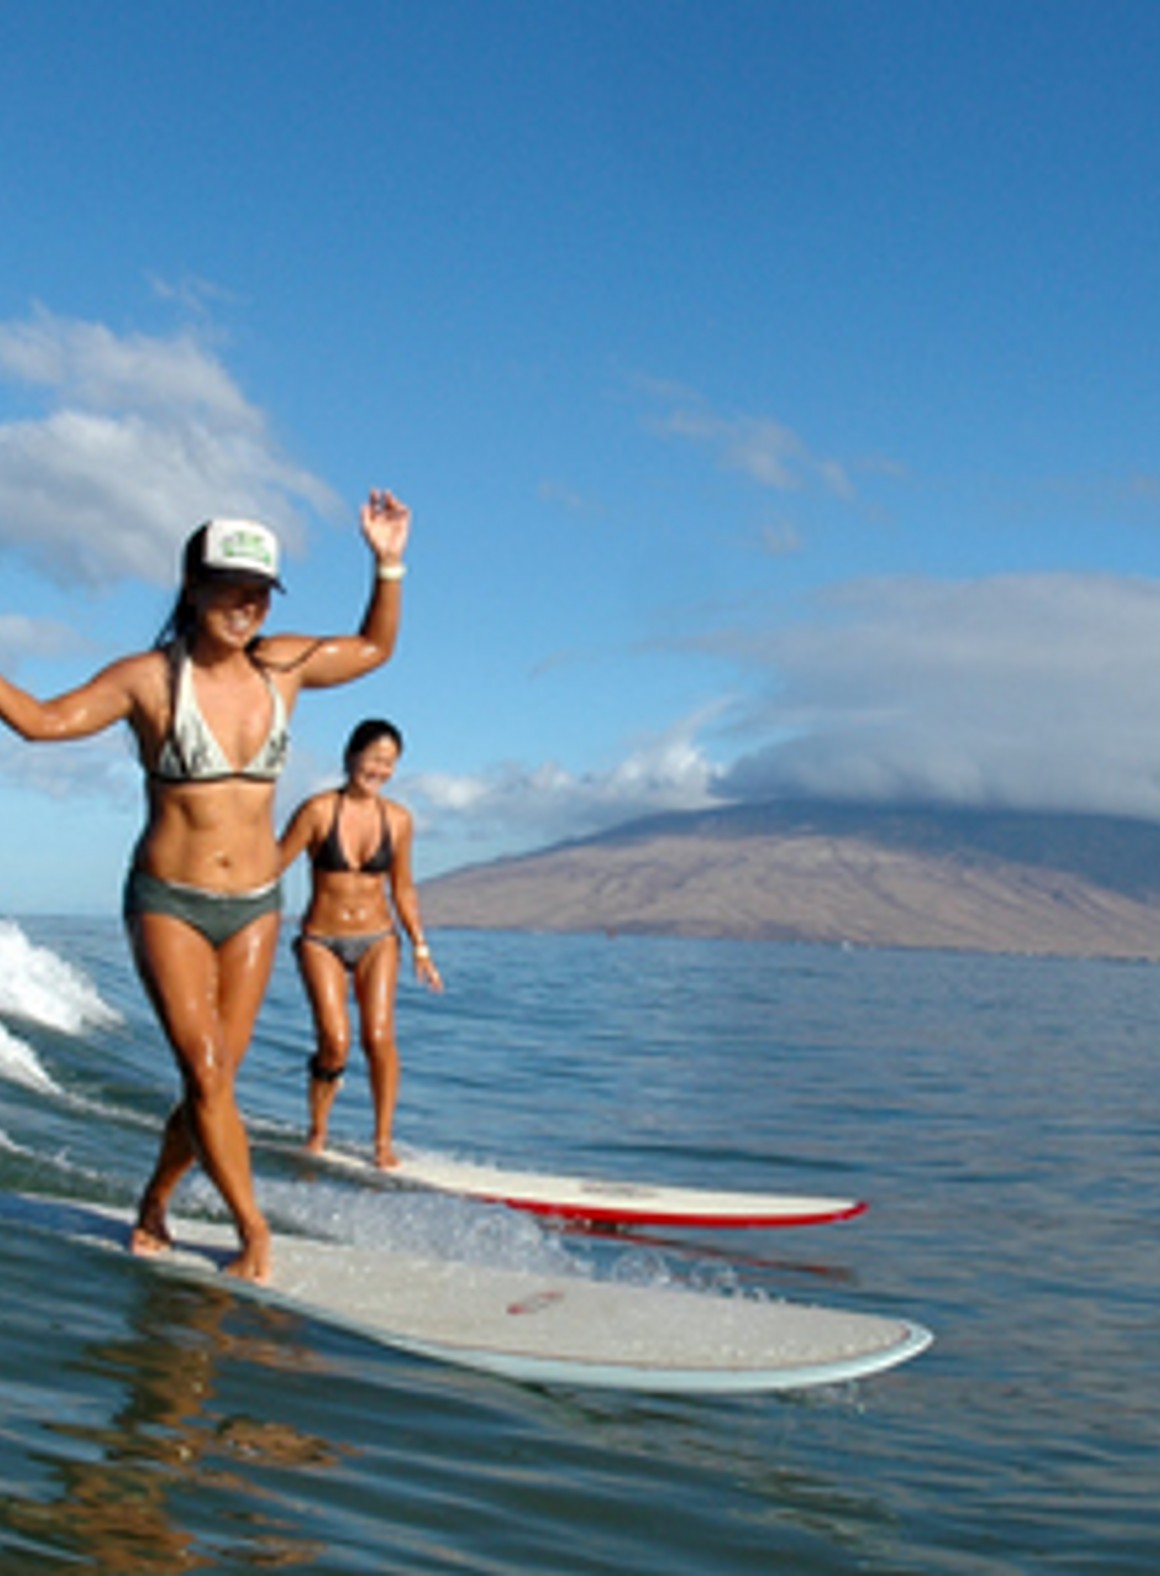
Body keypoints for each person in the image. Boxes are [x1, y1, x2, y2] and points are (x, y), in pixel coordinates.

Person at [0, 490, 412, 1281]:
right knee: (206, 1072)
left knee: (216, 1074)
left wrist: (387, 560)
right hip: (170, 902)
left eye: (258, 590)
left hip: (256, 906)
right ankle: (254, 1230)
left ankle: (154, 1199)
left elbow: (373, 648)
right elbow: (42, 721)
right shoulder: (149, 680)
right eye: (229, 586)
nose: (246, 604)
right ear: (192, 587)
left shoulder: (283, 666)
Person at [279, 718, 442, 1168]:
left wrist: (421, 947)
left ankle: (382, 1140)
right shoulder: (316, 811)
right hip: (321, 939)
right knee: (335, 1041)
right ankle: (318, 1129)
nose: (379, 770)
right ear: (351, 756)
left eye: (389, 763)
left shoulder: (399, 819)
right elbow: (273, 865)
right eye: (373, 758)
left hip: (378, 938)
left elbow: (403, 887)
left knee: (378, 1036)